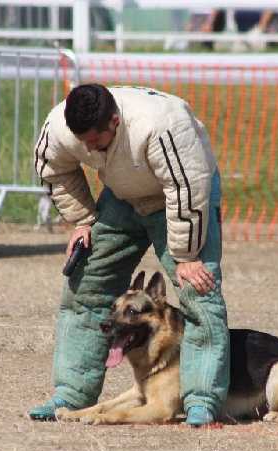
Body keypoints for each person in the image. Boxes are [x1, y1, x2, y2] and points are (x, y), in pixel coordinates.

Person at [28, 84, 229, 427]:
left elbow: (187, 188)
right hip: (122, 195)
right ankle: (71, 395)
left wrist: (186, 255)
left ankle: (200, 401)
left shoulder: (162, 125)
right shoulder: (61, 128)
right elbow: (52, 167)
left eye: (96, 141)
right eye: (83, 142)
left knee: (198, 290)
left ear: (116, 122)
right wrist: (81, 221)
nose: (89, 148)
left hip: (180, 198)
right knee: (85, 286)